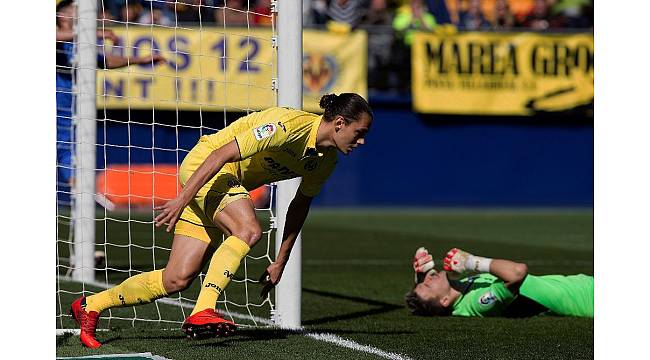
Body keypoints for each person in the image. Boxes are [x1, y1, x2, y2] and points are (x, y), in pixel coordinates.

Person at [70, 93, 374, 348]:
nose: (361, 142)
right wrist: (183, 198)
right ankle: (204, 309)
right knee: (247, 228)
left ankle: (91, 305)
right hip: (206, 169)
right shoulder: (287, 125)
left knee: (176, 279)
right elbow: (220, 154)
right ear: (339, 123)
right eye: (359, 133)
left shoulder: (325, 161)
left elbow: (299, 206)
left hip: (223, 188)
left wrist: (280, 260)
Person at [56, 0, 165, 189]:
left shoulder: (78, 43)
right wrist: (94, 33)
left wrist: (140, 59)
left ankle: (79, 192)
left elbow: (104, 61)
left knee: (68, 147)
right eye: (76, 10)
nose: (82, 16)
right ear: (62, 16)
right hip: (56, 103)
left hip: (69, 105)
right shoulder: (57, 35)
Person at [405, 247, 594, 318]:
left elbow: (425, 298)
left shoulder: (461, 288)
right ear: (445, 301)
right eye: (428, 284)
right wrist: (470, 261)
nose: (429, 278)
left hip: (584, 285)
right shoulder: (478, 303)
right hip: (588, 300)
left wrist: (420, 276)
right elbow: (517, 272)